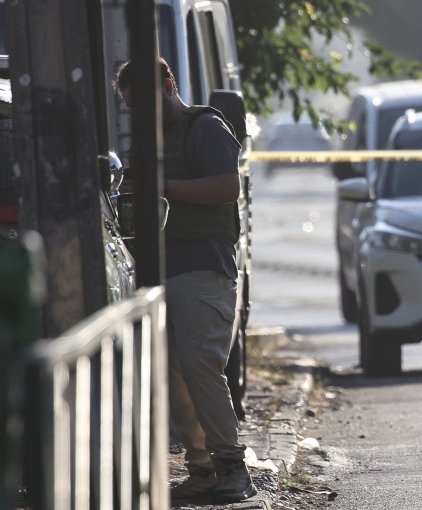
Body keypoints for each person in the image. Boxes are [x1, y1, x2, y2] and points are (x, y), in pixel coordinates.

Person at [113, 58, 256, 503]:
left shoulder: (206, 128)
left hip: (203, 267)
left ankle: (231, 466)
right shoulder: (147, 140)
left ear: (169, 85)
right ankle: (203, 469)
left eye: (147, 103)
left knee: (200, 367)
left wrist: (161, 187)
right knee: (174, 375)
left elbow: (225, 188)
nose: (142, 116)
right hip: (160, 270)